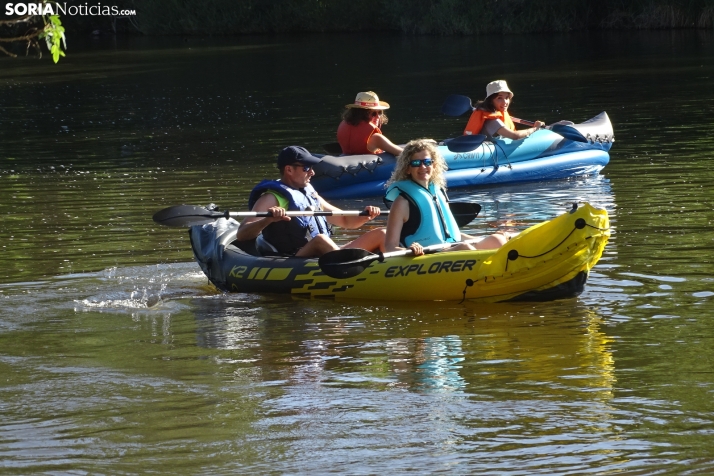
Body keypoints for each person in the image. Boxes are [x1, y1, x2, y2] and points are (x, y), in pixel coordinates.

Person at [236, 146, 386, 258]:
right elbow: (242, 234)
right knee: (320, 240)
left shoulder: (309, 192)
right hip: (295, 259)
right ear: (289, 170)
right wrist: (267, 220)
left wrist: (365, 216)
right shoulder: (272, 198)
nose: (312, 173)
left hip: (325, 253)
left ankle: (393, 268)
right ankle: (352, 270)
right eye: (306, 168)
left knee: (382, 233)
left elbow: (344, 220)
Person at [384, 139, 507, 256]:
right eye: (416, 163)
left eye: (427, 162)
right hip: (426, 256)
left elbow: (450, 234)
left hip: (449, 248)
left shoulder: (438, 193)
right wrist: (409, 250)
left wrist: (483, 238)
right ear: (407, 169)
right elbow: (390, 246)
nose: (422, 167)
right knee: (466, 249)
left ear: (434, 165)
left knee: (496, 240)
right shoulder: (402, 202)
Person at [463, 80, 546, 140]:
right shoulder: (493, 120)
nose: (505, 102)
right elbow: (515, 136)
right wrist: (535, 128)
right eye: (499, 98)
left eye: (507, 98)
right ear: (491, 101)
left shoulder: (491, 112)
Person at [337, 91, 404, 156]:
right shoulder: (376, 138)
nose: (378, 116)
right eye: (373, 113)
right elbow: (406, 155)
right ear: (361, 114)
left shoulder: (344, 126)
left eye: (380, 112)